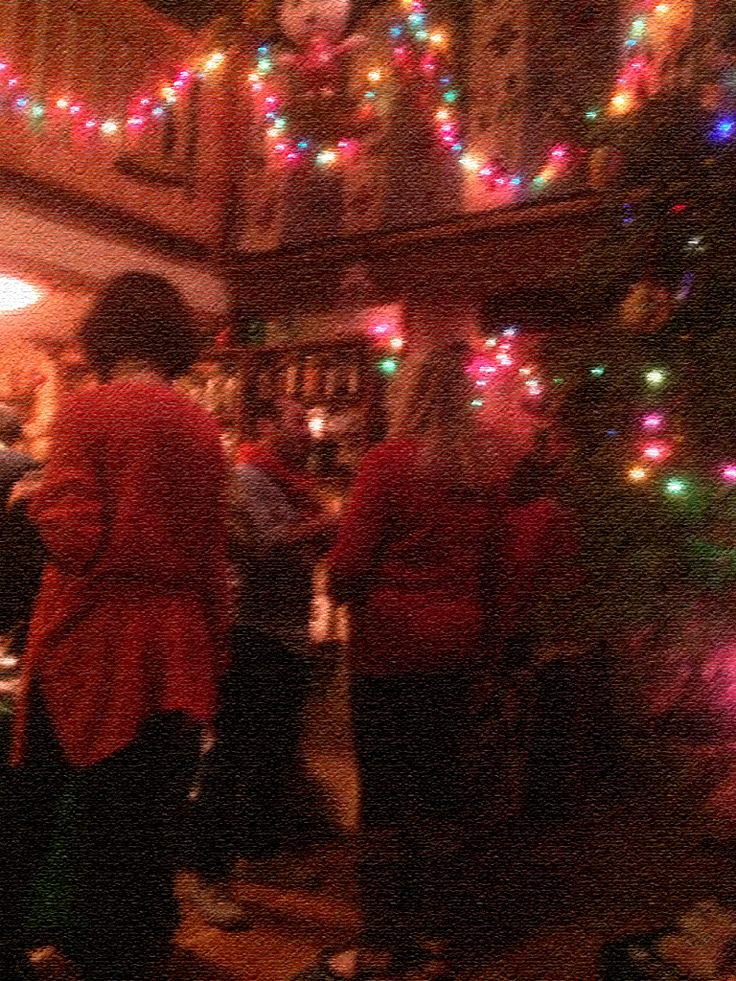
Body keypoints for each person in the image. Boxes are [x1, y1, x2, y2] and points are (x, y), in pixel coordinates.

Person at [1, 271, 231, 981]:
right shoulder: (200, 426)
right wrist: (212, 649)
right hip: (176, 641)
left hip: (95, 639)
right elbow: (208, 556)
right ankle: (123, 951)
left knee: (29, 806)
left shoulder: (89, 412)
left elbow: (75, 538)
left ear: (105, 333)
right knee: (136, 825)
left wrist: (31, 499)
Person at [306, 343, 511, 981]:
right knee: (441, 793)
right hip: (459, 647)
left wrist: (341, 585)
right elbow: (496, 576)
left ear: (410, 395)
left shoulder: (390, 464)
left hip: (392, 649)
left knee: (387, 797)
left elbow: (345, 568)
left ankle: (380, 946)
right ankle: (437, 940)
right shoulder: (489, 474)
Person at [189, 400, 338, 929]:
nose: (308, 431)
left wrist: (323, 529)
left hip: (287, 633)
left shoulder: (291, 485)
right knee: (231, 758)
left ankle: (259, 852)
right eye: (297, 421)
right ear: (264, 424)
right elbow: (255, 548)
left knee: (273, 753)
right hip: (251, 632)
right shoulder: (248, 479)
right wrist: (330, 521)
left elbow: (298, 550)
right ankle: (210, 876)